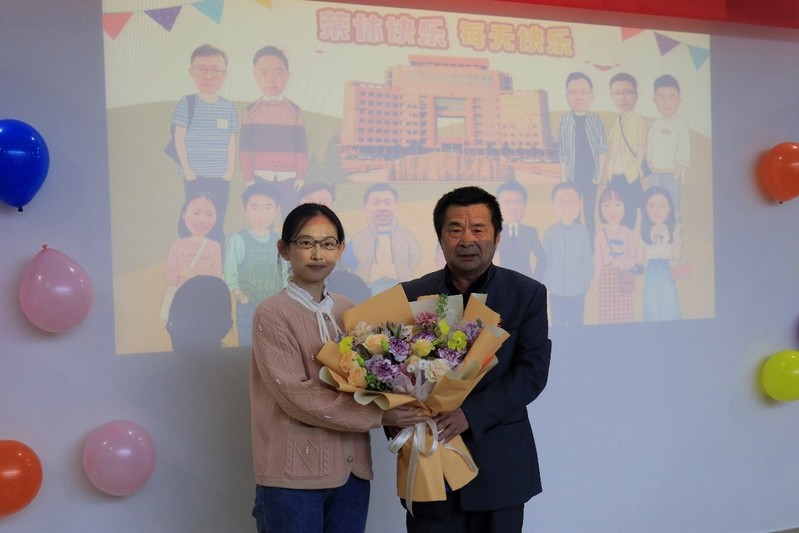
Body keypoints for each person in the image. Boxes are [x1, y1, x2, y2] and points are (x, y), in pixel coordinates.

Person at [250, 202, 427, 533]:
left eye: (328, 243)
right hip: (293, 477)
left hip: (352, 472)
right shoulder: (272, 313)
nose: (318, 254)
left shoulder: (346, 309)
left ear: (341, 249)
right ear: (284, 249)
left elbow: (372, 379)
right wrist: (379, 416)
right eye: (306, 242)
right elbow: (296, 396)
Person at [397, 186, 551, 533]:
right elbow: (393, 369)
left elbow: (532, 373)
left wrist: (471, 414)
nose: (467, 239)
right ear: (440, 238)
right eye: (455, 229)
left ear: (497, 236)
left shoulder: (526, 294)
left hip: (500, 466)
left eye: (478, 229)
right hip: (432, 462)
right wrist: (397, 416)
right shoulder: (412, 294)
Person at [169, 44, 238, 246]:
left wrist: (229, 172)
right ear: (191, 71)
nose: (208, 76)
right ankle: (189, 254)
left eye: (216, 70)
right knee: (194, 218)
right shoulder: (187, 102)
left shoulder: (227, 106)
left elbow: (231, 142)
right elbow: (179, 138)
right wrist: (188, 171)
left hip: (220, 177)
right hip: (194, 175)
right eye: (201, 69)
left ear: (225, 74)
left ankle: (216, 255)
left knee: (217, 218)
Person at [240, 45, 308, 216]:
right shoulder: (251, 110)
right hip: (261, 176)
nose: (271, 79)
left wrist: (300, 176)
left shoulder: (295, 111)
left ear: (287, 76)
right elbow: (245, 148)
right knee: (263, 218)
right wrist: (249, 178)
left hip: (289, 177)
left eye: (278, 73)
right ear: (255, 75)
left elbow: (301, 147)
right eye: (264, 72)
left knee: (290, 218)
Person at [223, 182, 286, 347]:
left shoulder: (280, 241)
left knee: (274, 346)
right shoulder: (237, 239)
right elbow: (230, 271)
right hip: (248, 304)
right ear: (244, 210)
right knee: (248, 348)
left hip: (274, 305)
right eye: (255, 207)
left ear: (277, 210)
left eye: (268, 207)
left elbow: (286, 273)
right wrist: (239, 294)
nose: (261, 214)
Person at [346, 183, 422, 295]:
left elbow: (416, 256)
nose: (382, 208)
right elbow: (348, 260)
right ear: (366, 208)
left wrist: (405, 271)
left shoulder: (405, 235)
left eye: (387, 203)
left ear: (396, 207)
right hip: (368, 288)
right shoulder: (358, 238)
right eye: (376, 203)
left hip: (400, 287)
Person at [558, 71, 607, 246]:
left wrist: (599, 173)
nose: (578, 97)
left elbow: (602, 148)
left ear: (592, 97)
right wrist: (564, 178)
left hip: (591, 175)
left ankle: (591, 247)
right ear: (567, 96)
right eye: (573, 92)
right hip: (573, 176)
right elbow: (563, 151)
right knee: (574, 212)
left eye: (583, 92)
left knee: (589, 212)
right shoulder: (565, 120)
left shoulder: (595, 120)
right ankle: (576, 245)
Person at [162, 192, 223, 320]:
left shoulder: (214, 246)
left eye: (209, 215)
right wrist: (181, 275)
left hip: (205, 301)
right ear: (183, 214)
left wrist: (193, 276)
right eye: (196, 213)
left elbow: (216, 276)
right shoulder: (177, 245)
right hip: (181, 300)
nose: (202, 220)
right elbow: (169, 275)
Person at [542, 183, 593, 327]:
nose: (566, 207)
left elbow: (587, 261)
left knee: (577, 325)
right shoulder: (550, 233)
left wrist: (586, 285)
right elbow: (545, 262)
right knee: (558, 326)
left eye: (571, 202)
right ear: (554, 205)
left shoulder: (582, 232)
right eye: (561, 202)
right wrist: (545, 286)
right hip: (555, 290)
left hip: (577, 290)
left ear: (580, 204)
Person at [605, 72, 648, 231]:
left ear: (636, 96)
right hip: (613, 175)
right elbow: (613, 147)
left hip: (630, 174)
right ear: (612, 96)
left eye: (627, 92)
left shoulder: (639, 121)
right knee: (615, 210)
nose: (622, 97)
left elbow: (641, 147)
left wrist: (636, 168)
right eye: (617, 93)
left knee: (632, 210)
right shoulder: (617, 120)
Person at [647, 74, 691, 221]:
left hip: (672, 174)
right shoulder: (655, 124)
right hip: (655, 174)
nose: (667, 102)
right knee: (655, 206)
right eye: (661, 97)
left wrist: (679, 168)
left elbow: (684, 146)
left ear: (679, 101)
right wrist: (649, 165)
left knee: (672, 206)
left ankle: (675, 233)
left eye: (672, 97)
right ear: (655, 100)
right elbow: (650, 147)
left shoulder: (681, 123)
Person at [593, 187, 637, 324]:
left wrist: (620, 264)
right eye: (606, 206)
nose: (612, 211)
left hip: (623, 278)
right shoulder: (600, 235)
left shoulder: (628, 233)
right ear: (600, 209)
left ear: (625, 207)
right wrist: (596, 282)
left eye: (617, 205)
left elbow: (632, 259)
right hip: (605, 281)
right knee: (606, 317)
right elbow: (598, 262)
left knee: (626, 317)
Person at [638, 186, 682, 321]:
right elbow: (637, 249)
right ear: (645, 209)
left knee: (669, 302)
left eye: (662, 206)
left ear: (669, 209)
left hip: (666, 269)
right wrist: (638, 220)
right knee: (651, 303)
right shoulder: (645, 231)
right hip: (651, 271)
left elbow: (676, 255)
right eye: (651, 206)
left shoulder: (671, 230)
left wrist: (677, 234)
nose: (656, 211)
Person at [495, 180, 546, 279]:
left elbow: (542, 258)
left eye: (518, 202)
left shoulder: (530, 232)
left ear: (525, 205)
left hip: (525, 281)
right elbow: (486, 258)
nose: (512, 208)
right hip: (503, 280)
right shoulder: (497, 232)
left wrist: (536, 280)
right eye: (506, 202)